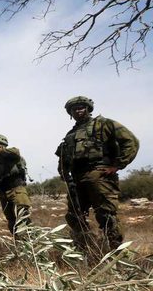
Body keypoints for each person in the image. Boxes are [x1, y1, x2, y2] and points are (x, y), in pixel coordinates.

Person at [55, 96, 139, 251]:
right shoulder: (70, 134)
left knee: (106, 215)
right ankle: (86, 249)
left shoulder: (103, 124)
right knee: (75, 216)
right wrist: (64, 174)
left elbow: (131, 141)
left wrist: (117, 165)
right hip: (77, 178)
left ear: (88, 108)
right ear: (70, 113)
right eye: (74, 109)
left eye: (81, 107)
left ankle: (116, 254)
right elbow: (63, 157)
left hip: (98, 174)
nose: (78, 111)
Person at [0, 134, 32, 237]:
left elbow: (16, 152)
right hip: (3, 193)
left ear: (3, 144)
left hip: (17, 190)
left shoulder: (11, 154)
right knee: (12, 223)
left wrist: (1, 152)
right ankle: (19, 247)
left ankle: (32, 248)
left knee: (23, 221)